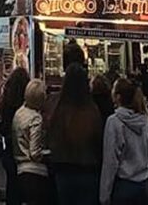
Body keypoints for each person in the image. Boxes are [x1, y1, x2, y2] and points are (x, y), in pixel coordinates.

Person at [48, 64, 103, 205]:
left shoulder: (58, 109)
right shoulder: (92, 110)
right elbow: (99, 140)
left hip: (64, 170)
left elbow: (51, 137)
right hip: (88, 169)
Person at [99, 77, 148, 205]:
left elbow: (110, 160)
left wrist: (104, 194)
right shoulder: (143, 119)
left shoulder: (114, 121)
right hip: (143, 182)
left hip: (124, 184)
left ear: (118, 97)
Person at [12, 79, 49, 205]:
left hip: (20, 168)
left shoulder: (19, 113)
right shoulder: (36, 118)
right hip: (35, 171)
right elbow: (34, 151)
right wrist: (47, 154)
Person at [0, 68, 30, 205]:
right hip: (25, 150)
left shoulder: (6, 102)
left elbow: (2, 126)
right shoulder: (28, 104)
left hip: (10, 150)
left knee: (12, 188)